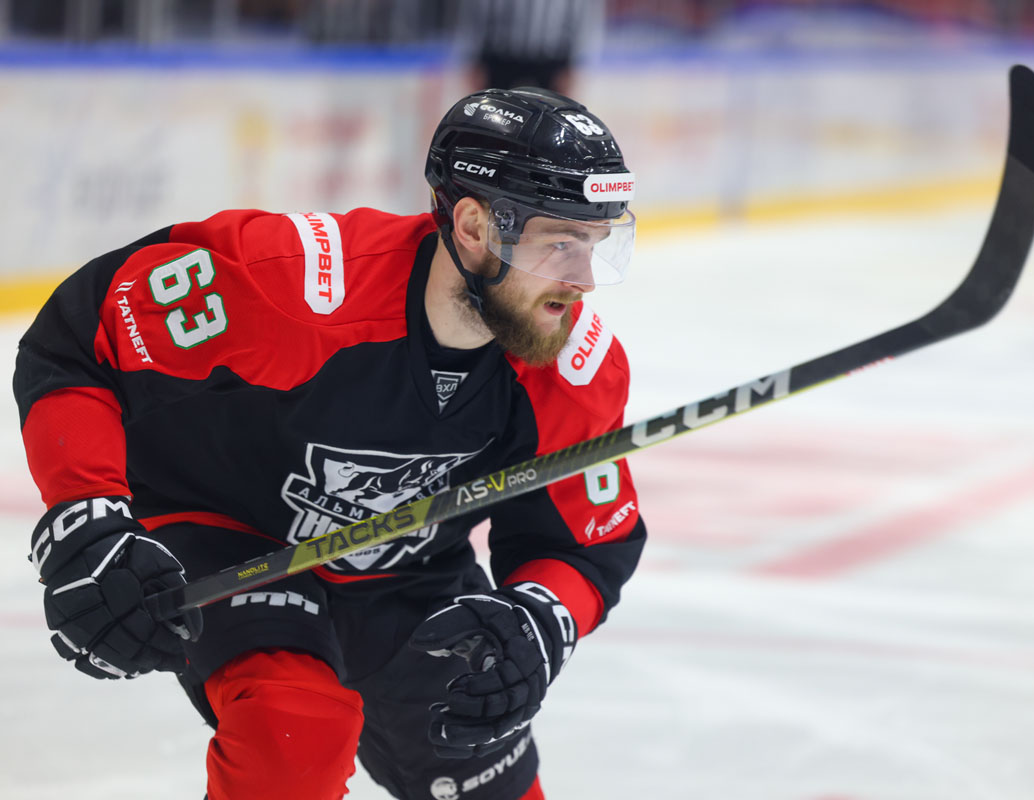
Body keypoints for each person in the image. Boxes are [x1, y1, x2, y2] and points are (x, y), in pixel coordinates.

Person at [15, 86, 645, 800]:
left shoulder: (570, 369)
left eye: (596, 245)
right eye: (560, 244)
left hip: (409, 572)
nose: (584, 282)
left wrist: (540, 616)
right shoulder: (290, 286)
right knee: (293, 732)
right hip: (236, 539)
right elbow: (81, 341)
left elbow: (581, 544)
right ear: (473, 226)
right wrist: (87, 516)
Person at [457, 0, 604, 96]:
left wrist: (575, 63)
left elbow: (585, 15)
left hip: (552, 59)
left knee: (552, 119)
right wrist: (473, 57)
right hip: (499, 57)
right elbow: (474, 12)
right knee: (492, 117)